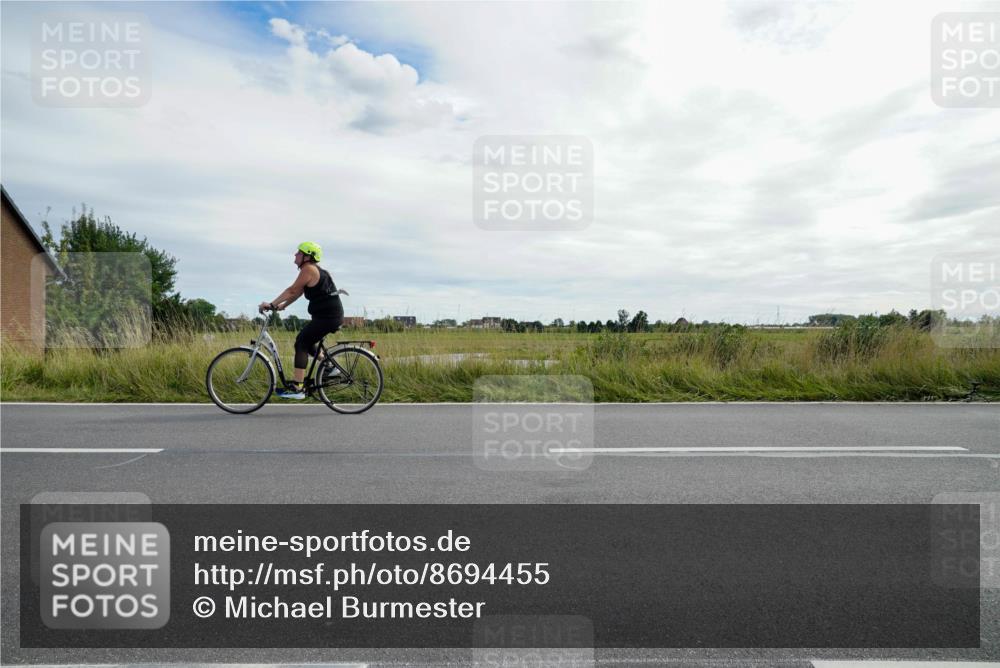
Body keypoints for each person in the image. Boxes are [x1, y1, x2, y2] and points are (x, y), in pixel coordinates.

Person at [258, 241, 344, 399]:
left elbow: (291, 289)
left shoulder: (309, 269)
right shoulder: (312, 270)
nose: (295, 255)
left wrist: (271, 304)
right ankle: (329, 366)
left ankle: (298, 387)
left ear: (307, 256)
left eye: (299, 252)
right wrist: (282, 306)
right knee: (307, 341)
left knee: (301, 342)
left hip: (328, 317)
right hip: (328, 316)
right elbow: (298, 292)